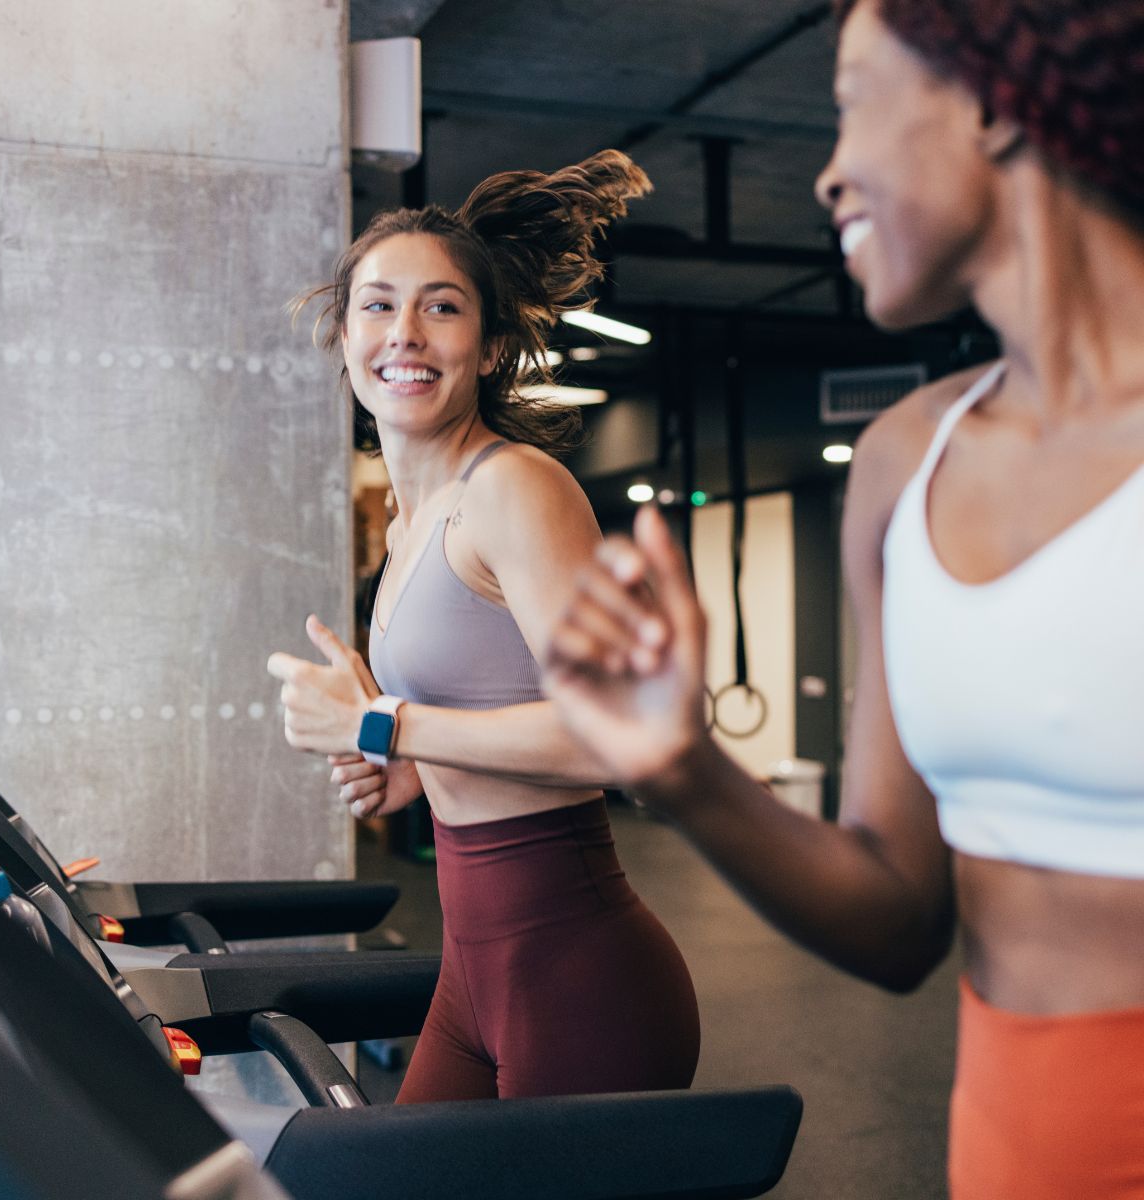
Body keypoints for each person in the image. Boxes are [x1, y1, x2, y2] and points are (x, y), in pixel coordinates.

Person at [543, 2, 1144, 1197]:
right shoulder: (903, 464)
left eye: (852, 101)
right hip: (1015, 1145)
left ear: (986, 100)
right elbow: (898, 916)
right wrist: (682, 771)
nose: (824, 174)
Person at [266, 151, 700, 1103]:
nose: (404, 332)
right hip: (473, 970)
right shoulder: (414, 516)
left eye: (443, 306)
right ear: (343, 336)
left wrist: (382, 726)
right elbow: (503, 702)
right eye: (378, 305)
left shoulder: (513, 487)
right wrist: (413, 773)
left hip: (581, 975)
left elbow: (631, 734)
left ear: (491, 348)